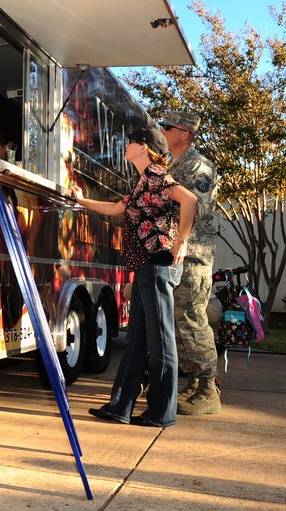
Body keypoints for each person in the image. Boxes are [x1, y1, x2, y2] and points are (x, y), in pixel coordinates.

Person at [71, 128, 196, 427]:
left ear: (143, 147)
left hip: (156, 264)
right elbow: (117, 208)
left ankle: (161, 413)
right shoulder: (142, 182)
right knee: (137, 339)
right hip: (144, 267)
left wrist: (183, 239)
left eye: (129, 142)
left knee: (161, 340)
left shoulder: (155, 174)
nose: (125, 145)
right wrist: (81, 200)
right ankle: (120, 406)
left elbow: (189, 200)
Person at [159, 111, 221, 415]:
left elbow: (191, 206)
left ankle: (208, 389)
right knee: (179, 321)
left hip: (193, 254)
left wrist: (181, 241)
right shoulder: (172, 165)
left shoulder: (197, 166)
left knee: (192, 318)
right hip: (176, 253)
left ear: (184, 133)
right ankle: (194, 385)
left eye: (167, 127)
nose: (162, 131)